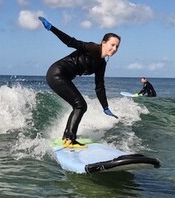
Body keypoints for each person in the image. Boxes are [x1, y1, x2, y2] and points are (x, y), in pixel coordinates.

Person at [39, 16, 119, 148]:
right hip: (57, 73)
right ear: (103, 43)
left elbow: (99, 86)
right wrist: (52, 28)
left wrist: (105, 107)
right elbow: (71, 42)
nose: (115, 48)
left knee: (79, 105)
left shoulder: (102, 64)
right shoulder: (92, 48)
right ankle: (70, 139)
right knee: (80, 105)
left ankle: (67, 137)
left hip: (63, 77)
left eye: (117, 46)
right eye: (112, 45)